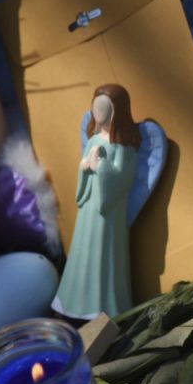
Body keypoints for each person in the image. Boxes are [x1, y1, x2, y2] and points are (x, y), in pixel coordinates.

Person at [53, 84, 140, 319]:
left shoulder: (123, 146)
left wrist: (101, 165)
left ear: (116, 111)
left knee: (106, 255)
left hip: (108, 212)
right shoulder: (92, 140)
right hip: (89, 208)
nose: (99, 112)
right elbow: (83, 167)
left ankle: (106, 306)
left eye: (104, 107)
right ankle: (74, 302)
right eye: (96, 107)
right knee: (82, 251)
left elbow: (122, 177)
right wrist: (86, 165)